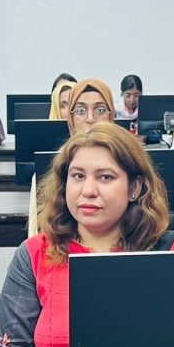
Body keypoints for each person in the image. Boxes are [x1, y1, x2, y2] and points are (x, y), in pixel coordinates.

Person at [0, 122, 174, 347]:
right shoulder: (34, 254)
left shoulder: (172, 252)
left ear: (135, 187)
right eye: (77, 176)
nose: (88, 190)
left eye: (105, 177)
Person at [27, 78, 118, 237]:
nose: (90, 118)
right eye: (81, 111)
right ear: (71, 118)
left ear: (112, 116)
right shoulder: (54, 167)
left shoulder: (130, 162)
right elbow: (39, 232)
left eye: (101, 110)